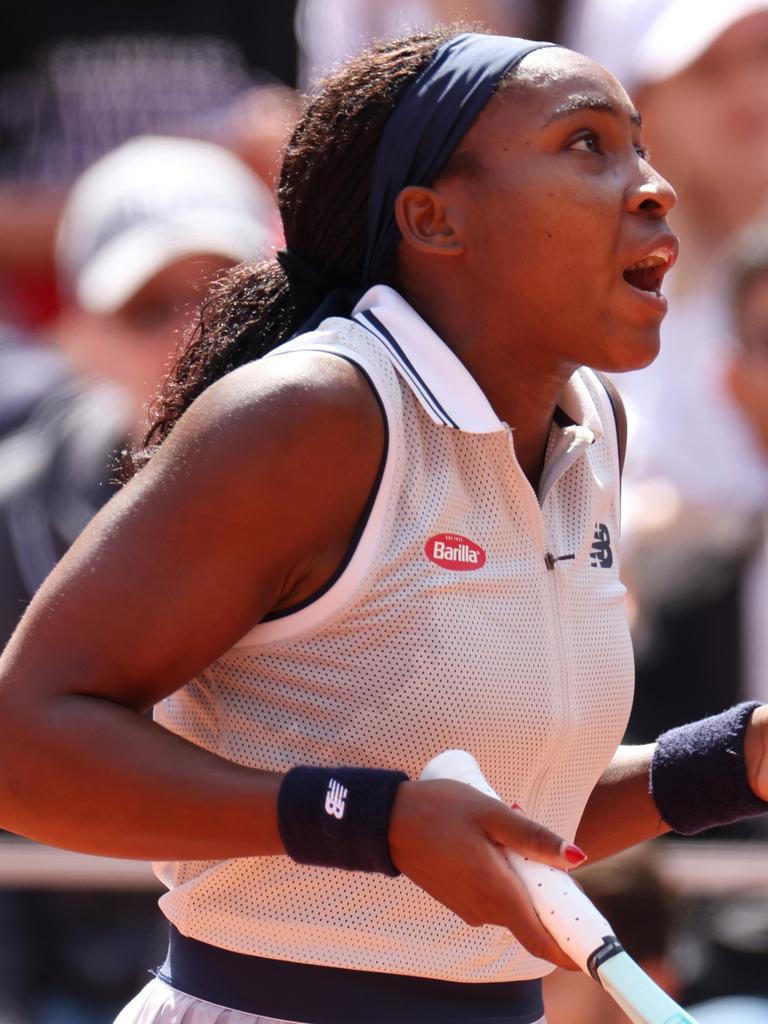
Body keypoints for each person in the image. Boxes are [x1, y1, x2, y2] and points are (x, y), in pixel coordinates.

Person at [1, 26, 767, 1024]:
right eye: (586, 144)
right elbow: (22, 749)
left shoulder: (591, 425)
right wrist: (372, 821)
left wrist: (738, 759)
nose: (652, 185)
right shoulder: (312, 415)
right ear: (434, 219)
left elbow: (511, 818)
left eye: (639, 145)